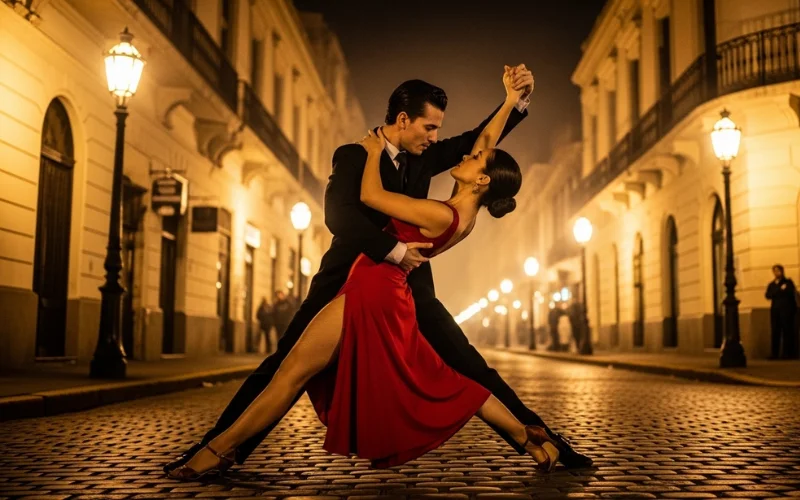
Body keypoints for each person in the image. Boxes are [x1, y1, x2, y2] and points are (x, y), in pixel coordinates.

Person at [163, 65, 591, 476]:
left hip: (406, 284)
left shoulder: (423, 158)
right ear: (403, 119)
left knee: (466, 364)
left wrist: (511, 102)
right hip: (345, 277)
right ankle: (216, 445)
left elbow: (479, 144)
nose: (436, 137)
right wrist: (393, 249)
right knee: (280, 367)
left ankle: (541, 438)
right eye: (429, 127)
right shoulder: (352, 155)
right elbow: (340, 217)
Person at [765, 264, 798, 359]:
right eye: (775, 271)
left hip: (787, 311)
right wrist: (779, 290)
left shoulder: (788, 282)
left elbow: (790, 293)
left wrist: (778, 292)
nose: (776, 273)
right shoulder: (772, 284)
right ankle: (774, 354)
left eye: (778, 271)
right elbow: (768, 295)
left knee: (787, 331)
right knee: (775, 331)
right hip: (775, 311)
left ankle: (787, 353)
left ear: (782, 271)